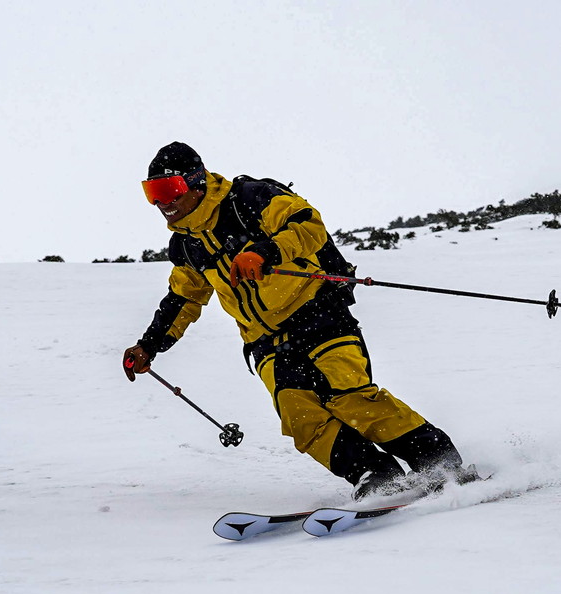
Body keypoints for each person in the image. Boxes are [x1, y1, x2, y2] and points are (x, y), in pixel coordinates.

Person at [123, 141, 472, 499]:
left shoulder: (249, 199)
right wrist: (149, 345)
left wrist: (265, 250)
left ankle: (439, 462)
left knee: (349, 397)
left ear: (195, 183)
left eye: (168, 190)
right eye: (152, 193)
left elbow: (308, 224)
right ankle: (375, 475)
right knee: (301, 417)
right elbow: (184, 296)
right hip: (264, 341)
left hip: (318, 315)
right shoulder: (186, 245)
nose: (161, 203)